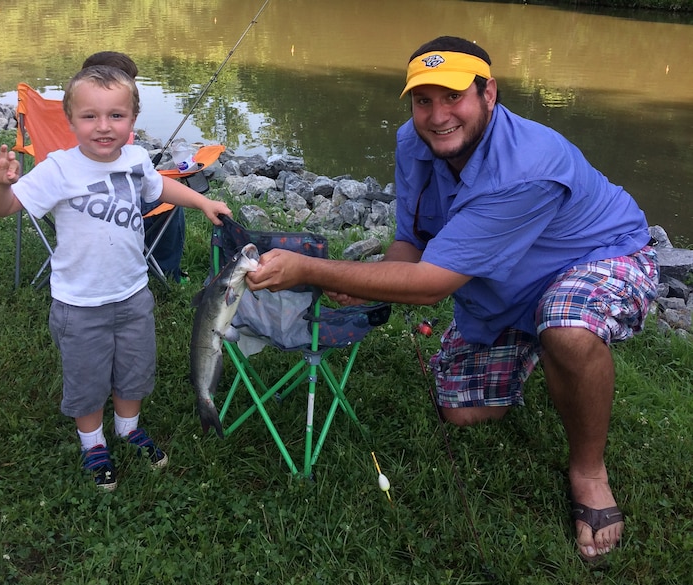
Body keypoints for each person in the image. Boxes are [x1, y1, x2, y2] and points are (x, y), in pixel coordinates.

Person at [245, 36, 658, 560]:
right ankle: (532, 343)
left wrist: (309, 268)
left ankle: (589, 472)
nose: (437, 116)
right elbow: (412, 244)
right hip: (501, 281)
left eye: (453, 97)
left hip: (598, 257)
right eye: (423, 100)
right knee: (462, 412)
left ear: (489, 93)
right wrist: (363, 278)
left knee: (567, 327)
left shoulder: (528, 165)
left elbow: (434, 282)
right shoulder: (412, 141)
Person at [0, 65, 232, 490]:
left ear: (133, 121)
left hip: (134, 296)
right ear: (71, 120)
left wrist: (200, 203)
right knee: (87, 378)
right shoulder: (58, 168)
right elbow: (2, 209)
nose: (104, 127)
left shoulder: (136, 159)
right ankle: (92, 441)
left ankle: (128, 427)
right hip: (79, 304)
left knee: (134, 370)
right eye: (90, 117)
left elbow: (159, 190)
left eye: (116, 116)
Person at [82, 51, 189, 283]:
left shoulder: (76, 118)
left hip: (74, 201)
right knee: (169, 202)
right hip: (111, 200)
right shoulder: (113, 124)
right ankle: (167, 271)